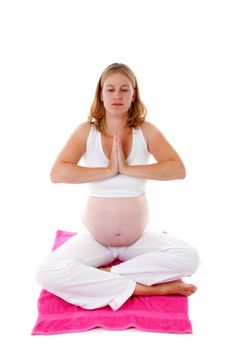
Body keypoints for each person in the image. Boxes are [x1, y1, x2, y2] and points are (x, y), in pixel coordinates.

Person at [35, 63, 200, 311]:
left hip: (137, 240)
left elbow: (178, 169)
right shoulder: (85, 131)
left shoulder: (146, 130)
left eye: (125, 89)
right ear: (100, 94)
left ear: (134, 95)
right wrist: (107, 171)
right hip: (96, 240)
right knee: (46, 272)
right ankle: (143, 287)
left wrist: (128, 169)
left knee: (190, 257)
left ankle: (110, 274)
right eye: (110, 89)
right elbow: (57, 173)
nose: (117, 96)